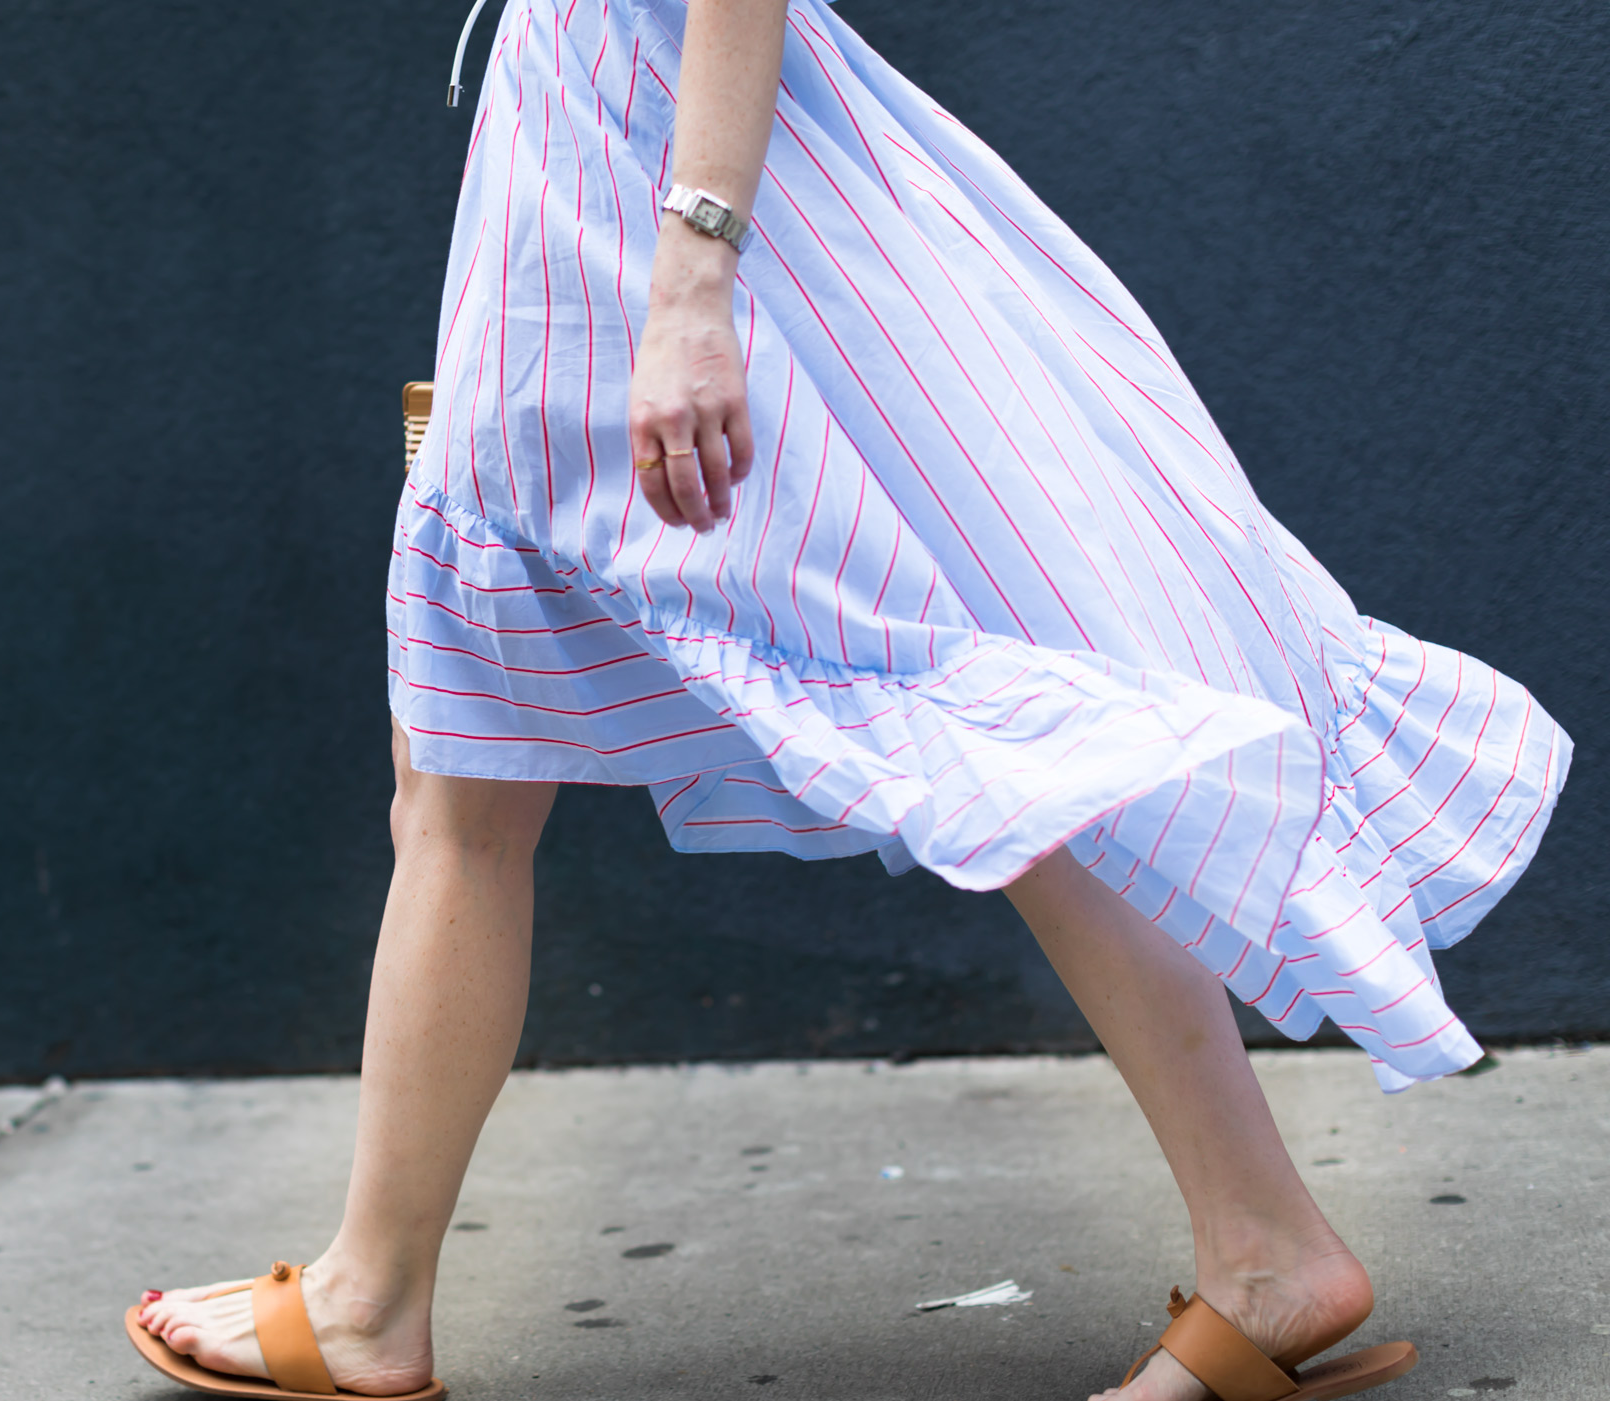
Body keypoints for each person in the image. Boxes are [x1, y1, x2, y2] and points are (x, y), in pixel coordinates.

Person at [129, 1, 1572, 1397]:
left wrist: (692, 282)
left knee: (889, 718)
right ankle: (1262, 1238)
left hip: (655, 185)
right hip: (601, 163)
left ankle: (373, 1296)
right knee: (489, 753)